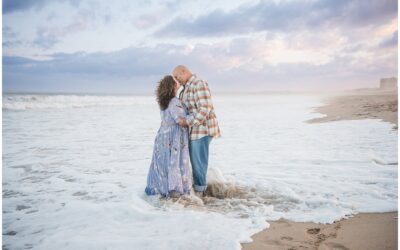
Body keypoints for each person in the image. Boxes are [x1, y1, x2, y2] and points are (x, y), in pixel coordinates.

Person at [172, 65, 221, 197]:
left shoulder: (198, 83)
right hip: (194, 131)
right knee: (194, 162)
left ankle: (200, 194)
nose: (176, 80)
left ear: (184, 72)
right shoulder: (186, 88)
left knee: (198, 163)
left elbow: (205, 108)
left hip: (202, 130)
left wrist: (187, 121)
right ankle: (199, 189)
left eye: (177, 76)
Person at [144, 75, 193, 198]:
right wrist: (195, 117)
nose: (178, 84)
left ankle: (161, 190)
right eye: (176, 82)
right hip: (174, 137)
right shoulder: (174, 101)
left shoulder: (163, 101)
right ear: (172, 86)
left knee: (162, 164)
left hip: (162, 136)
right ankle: (175, 191)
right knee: (175, 163)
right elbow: (180, 121)